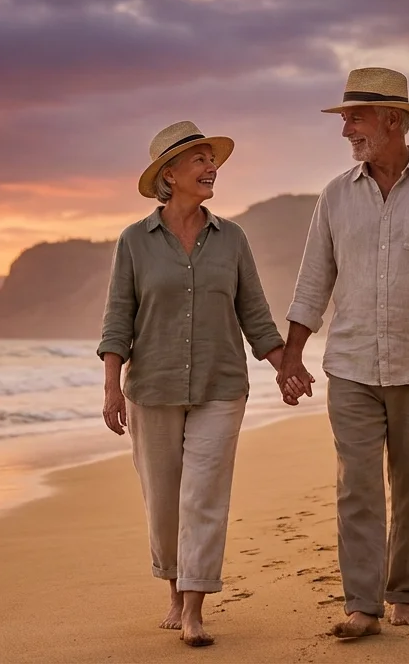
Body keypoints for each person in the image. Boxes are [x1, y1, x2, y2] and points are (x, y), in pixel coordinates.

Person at [275, 67, 409, 638]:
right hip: (350, 366)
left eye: (355, 117)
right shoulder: (333, 196)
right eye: (345, 118)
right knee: (357, 486)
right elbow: (312, 282)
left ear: (392, 119)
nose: (346, 128)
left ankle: (401, 593)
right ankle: (362, 605)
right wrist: (292, 355)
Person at [98, 120, 287, 648]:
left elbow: (254, 311)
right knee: (163, 498)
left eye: (213, 160)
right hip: (151, 387)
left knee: (204, 496)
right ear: (170, 173)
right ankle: (175, 590)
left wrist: (284, 366)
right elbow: (118, 318)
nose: (212, 168)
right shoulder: (134, 241)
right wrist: (112, 387)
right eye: (200, 160)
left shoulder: (233, 239)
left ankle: (195, 609)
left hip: (221, 384)